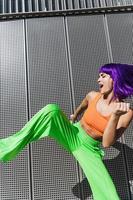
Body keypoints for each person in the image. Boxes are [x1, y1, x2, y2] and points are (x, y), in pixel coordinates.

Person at [0, 63, 133, 200]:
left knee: (108, 191)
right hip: (73, 133)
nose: (98, 80)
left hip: (88, 149)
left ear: (115, 79)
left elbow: (106, 143)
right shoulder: (93, 96)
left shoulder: (126, 112)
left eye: (103, 76)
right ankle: (4, 148)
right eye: (99, 76)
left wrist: (115, 116)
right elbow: (83, 106)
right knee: (51, 110)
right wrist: (75, 116)